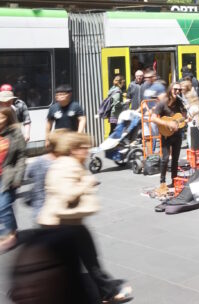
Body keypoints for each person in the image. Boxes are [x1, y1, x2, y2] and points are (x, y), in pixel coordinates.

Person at [38, 132, 132, 302]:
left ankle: (104, 291)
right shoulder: (68, 165)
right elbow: (68, 194)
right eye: (84, 148)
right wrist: (86, 182)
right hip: (64, 225)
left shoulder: (65, 163)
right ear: (74, 149)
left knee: (81, 263)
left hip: (63, 223)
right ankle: (105, 292)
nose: (87, 151)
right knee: (87, 262)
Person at [150, 85, 188, 195]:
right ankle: (162, 183)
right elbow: (152, 118)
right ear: (170, 89)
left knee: (175, 159)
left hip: (177, 134)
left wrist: (186, 119)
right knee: (165, 159)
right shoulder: (163, 102)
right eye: (175, 89)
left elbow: (183, 117)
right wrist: (167, 123)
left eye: (179, 89)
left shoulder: (180, 103)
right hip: (165, 134)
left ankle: (174, 180)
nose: (177, 91)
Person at [0, 107, 26, 252]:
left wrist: (18, 176)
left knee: (3, 206)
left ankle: (12, 232)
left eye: (1, 117)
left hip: (6, 176)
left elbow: (22, 156)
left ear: (7, 118)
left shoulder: (15, 133)